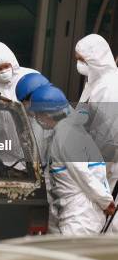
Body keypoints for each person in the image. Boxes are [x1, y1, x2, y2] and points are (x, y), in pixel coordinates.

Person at [30, 84, 115, 234]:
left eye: (37, 114)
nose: (37, 119)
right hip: (78, 215)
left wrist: (106, 202)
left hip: (79, 218)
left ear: (47, 114)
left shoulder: (65, 136)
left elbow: (83, 174)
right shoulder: (67, 130)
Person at [75, 34, 118, 190]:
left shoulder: (110, 87)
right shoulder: (94, 83)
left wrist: (92, 174)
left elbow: (108, 139)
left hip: (104, 170)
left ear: (96, 60)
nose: (79, 64)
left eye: (82, 60)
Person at [15, 73, 58, 232]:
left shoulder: (54, 115)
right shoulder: (32, 115)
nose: (25, 105)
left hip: (56, 181)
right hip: (45, 178)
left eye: (26, 101)